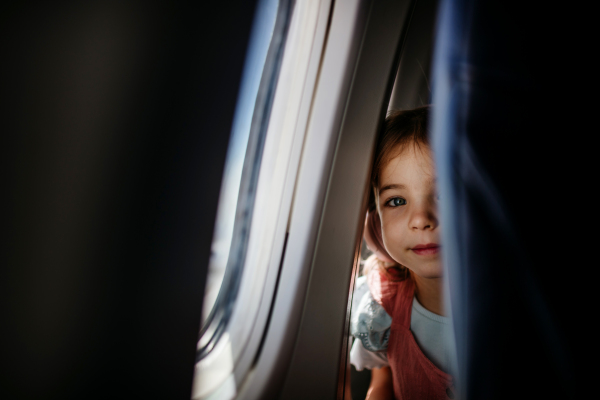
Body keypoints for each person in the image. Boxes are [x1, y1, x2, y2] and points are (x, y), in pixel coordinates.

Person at [350, 106, 455, 400]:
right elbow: (382, 382)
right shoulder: (382, 311)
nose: (420, 218)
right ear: (376, 220)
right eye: (397, 201)